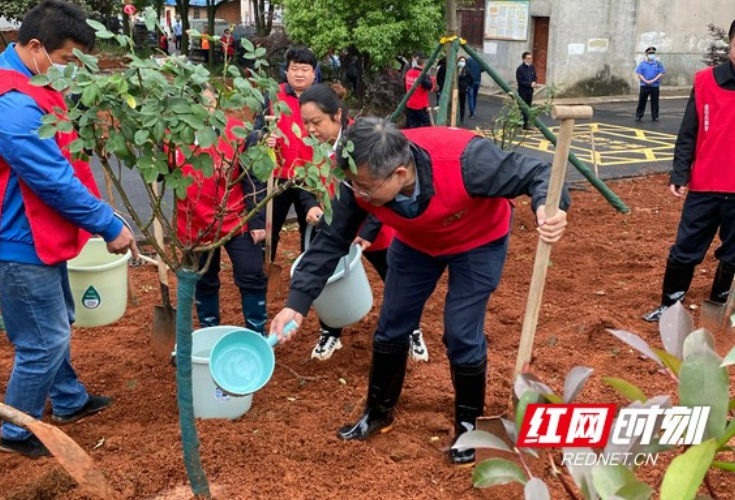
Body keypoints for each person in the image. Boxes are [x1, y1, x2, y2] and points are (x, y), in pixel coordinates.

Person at [271, 117, 569, 465]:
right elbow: (331, 240)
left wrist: (550, 206)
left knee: (461, 331)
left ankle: (466, 426)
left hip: (478, 242)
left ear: (399, 174)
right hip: (416, 245)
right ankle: (378, 412)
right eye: (353, 184)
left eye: (365, 187)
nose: (358, 193)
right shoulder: (358, 180)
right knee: (393, 322)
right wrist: (297, 303)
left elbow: (538, 173)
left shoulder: (466, 161)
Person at [0, 0, 136, 458]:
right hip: (19, 242)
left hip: (39, 235)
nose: (70, 71)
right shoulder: (12, 106)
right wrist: (106, 223)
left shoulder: (32, 83)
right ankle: (16, 433)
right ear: (36, 47)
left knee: (57, 322)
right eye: (65, 61)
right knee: (43, 340)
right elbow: (52, 180)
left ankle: (69, 399)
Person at [298, 84, 429, 362]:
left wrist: (369, 232)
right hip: (336, 227)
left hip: (377, 230)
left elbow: (381, 189)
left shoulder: (365, 141)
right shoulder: (314, 146)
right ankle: (330, 332)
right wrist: (310, 204)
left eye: (316, 122)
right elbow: (303, 179)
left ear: (337, 116)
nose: (310, 129)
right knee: (328, 279)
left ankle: (412, 330)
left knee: (395, 280)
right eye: (305, 122)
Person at [643, 21, 735, 323]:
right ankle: (670, 305)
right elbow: (688, 133)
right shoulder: (705, 81)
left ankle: (720, 301)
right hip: (706, 184)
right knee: (686, 247)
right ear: (731, 44)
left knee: (733, 252)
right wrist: (680, 173)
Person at [173, 89, 268, 334]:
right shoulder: (172, 135)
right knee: (204, 280)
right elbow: (164, 174)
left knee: (251, 273)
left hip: (235, 219)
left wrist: (256, 220)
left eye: (209, 101)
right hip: (194, 222)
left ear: (218, 102)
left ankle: (256, 331)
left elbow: (252, 177)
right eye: (196, 102)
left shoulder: (237, 132)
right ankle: (209, 330)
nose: (204, 108)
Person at [257, 46, 322, 259]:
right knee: (271, 227)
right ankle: (265, 270)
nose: (300, 74)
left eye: (305, 69)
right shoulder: (273, 95)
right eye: (295, 68)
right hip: (277, 174)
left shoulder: (321, 98)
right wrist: (263, 138)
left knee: (311, 228)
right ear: (287, 71)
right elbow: (257, 129)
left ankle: (308, 273)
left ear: (314, 72)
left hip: (310, 176)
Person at [635, 46, 665, 122]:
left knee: (655, 101)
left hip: (654, 85)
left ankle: (655, 116)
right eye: (650, 53)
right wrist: (645, 81)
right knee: (642, 101)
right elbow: (639, 74)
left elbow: (661, 73)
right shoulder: (642, 64)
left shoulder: (658, 64)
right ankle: (639, 115)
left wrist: (653, 80)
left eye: (653, 53)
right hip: (644, 85)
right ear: (646, 54)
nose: (651, 54)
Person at [404, 54, 433, 128]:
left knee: (412, 125)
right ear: (424, 65)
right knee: (427, 124)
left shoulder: (409, 72)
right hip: (420, 105)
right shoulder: (422, 75)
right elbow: (430, 86)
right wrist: (429, 77)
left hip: (410, 103)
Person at [516, 51, 537, 130]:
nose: (530, 60)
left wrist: (534, 82)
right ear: (524, 59)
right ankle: (518, 124)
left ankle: (526, 125)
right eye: (528, 59)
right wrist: (529, 84)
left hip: (530, 91)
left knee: (528, 108)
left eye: (531, 58)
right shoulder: (520, 69)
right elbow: (520, 81)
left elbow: (534, 77)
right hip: (522, 91)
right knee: (521, 108)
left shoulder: (532, 67)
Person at [456, 56, 474, 126]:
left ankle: (461, 119)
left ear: (465, 62)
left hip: (462, 90)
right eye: (460, 61)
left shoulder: (467, 70)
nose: (461, 62)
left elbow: (472, 79)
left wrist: (467, 85)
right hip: (455, 89)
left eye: (463, 61)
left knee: (462, 104)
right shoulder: (456, 69)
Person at [465, 55, 481, 119]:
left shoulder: (468, 60)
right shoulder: (479, 59)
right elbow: (483, 68)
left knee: (470, 97)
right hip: (478, 80)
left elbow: (466, 69)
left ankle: (471, 112)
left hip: (470, 81)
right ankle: (473, 110)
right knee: (475, 97)